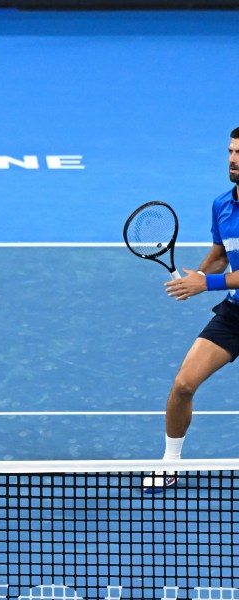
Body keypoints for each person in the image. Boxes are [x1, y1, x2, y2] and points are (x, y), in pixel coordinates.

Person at [143, 126, 239, 493]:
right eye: (230, 151)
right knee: (183, 385)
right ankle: (170, 464)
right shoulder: (222, 205)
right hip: (236, 313)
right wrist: (199, 275)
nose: (232, 159)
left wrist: (207, 284)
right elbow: (220, 257)